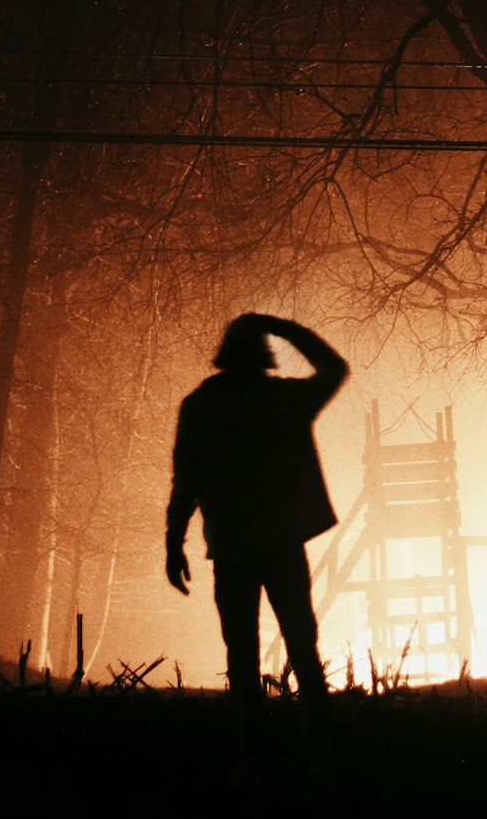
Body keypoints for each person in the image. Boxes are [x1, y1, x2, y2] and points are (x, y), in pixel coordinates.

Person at [166, 311, 348, 774]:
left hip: (231, 549)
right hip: (283, 545)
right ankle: (321, 761)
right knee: (304, 651)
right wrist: (287, 327)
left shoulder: (200, 407)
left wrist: (174, 542)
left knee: (241, 659)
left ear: (224, 358)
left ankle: (255, 765)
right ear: (264, 356)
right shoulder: (284, 399)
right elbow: (335, 368)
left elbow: (185, 480)